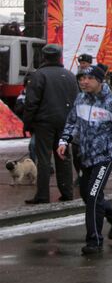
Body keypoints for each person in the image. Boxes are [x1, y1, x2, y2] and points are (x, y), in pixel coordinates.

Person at [57, 65, 112, 254]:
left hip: (105, 157)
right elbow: (72, 122)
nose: (84, 82)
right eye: (82, 78)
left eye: (89, 78)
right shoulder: (81, 98)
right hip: (85, 155)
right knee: (87, 194)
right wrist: (64, 141)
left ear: (100, 80)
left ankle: (94, 240)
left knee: (92, 196)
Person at [23, 44, 79, 204]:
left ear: (44, 57)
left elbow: (31, 102)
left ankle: (42, 195)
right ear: (59, 57)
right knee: (64, 156)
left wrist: (27, 123)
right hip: (64, 122)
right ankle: (67, 192)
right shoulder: (69, 76)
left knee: (44, 158)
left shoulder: (38, 75)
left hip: (44, 123)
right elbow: (76, 101)